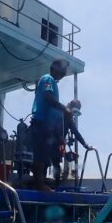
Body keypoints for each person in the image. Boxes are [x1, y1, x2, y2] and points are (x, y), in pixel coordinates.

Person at [30, 59, 71, 191]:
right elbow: (48, 97)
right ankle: (39, 184)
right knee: (40, 155)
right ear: (55, 68)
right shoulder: (48, 79)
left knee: (44, 156)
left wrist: (58, 134)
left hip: (47, 126)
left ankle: (41, 183)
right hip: (40, 122)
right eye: (63, 69)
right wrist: (64, 108)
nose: (64, 73)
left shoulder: (54, 83)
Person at [51, 99, 93, 185]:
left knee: (56, 164)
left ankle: (57, 186)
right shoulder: (59, 112)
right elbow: (52, 126)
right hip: (48, 141)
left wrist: (85, 145)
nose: (73, 115)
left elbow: (75, 132)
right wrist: (59, 137)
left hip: (57, 145)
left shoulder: (69, 119)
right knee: (45, 163)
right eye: (73, 112)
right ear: (69, 107)